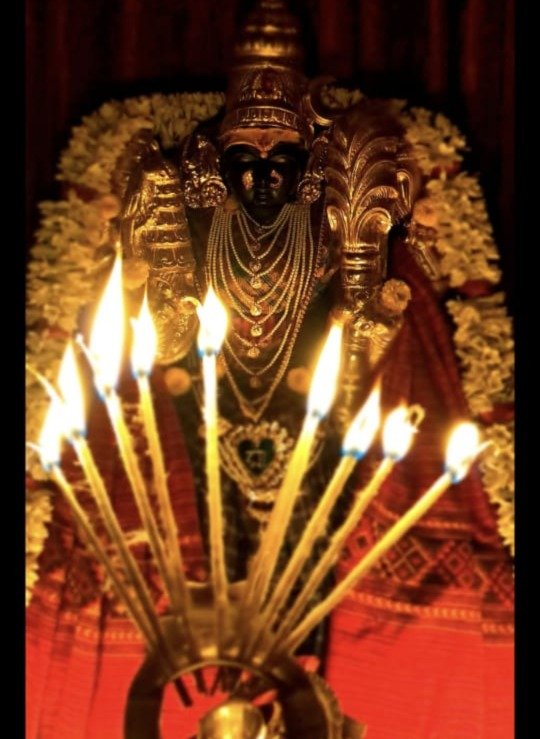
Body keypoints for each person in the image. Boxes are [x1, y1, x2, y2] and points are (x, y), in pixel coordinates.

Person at [26, 1, 514, 736]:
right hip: (200, 452)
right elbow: (162, 341)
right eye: (243, 162)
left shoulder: (334, 232)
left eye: (280, 161)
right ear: (214, 163)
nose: (260, 179)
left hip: (318, 466)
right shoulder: (189, 226)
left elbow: (364, 340)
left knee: (318, 614)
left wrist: (365, 310)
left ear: (308, 165)